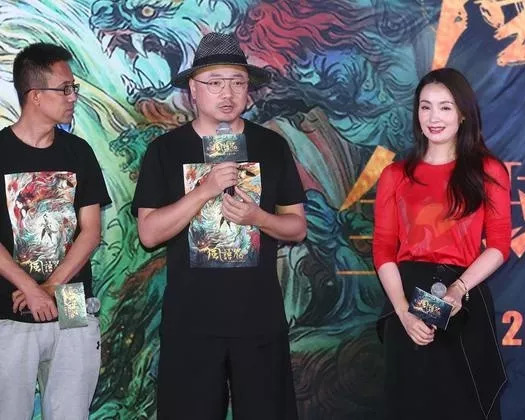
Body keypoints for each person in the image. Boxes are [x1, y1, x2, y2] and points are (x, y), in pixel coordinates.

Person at [131, 32, 306, 419]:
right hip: (191, 323)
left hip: (259, 321)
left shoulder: (272, 146)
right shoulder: (165, 150)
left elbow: (297, 227)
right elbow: (149, 234)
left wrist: (258, 218)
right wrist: (204, 190)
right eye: (214, 83)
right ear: (193, 90)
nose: (227, 93)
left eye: (237, 83)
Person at [372, 67, 511, 419]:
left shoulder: (487, 170)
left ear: (462, 114)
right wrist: (403, 311)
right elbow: (384, 247)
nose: (434, 117)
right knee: (410, 403)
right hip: (407, 297)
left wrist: (457, 290)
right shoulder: (395, 175)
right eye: (426, 107)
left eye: (445, 107)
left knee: (463, 402)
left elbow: (499, 244)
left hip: (461, 294)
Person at [0, 43, 111, 419]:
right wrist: (30, 288)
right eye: (64, 89)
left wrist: (50, 287)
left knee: (71, 412)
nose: (72, 96)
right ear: (35, 96)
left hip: (73, 303)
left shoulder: (79, 152)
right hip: (8, 309)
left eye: (73, 88)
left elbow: (91, 232)